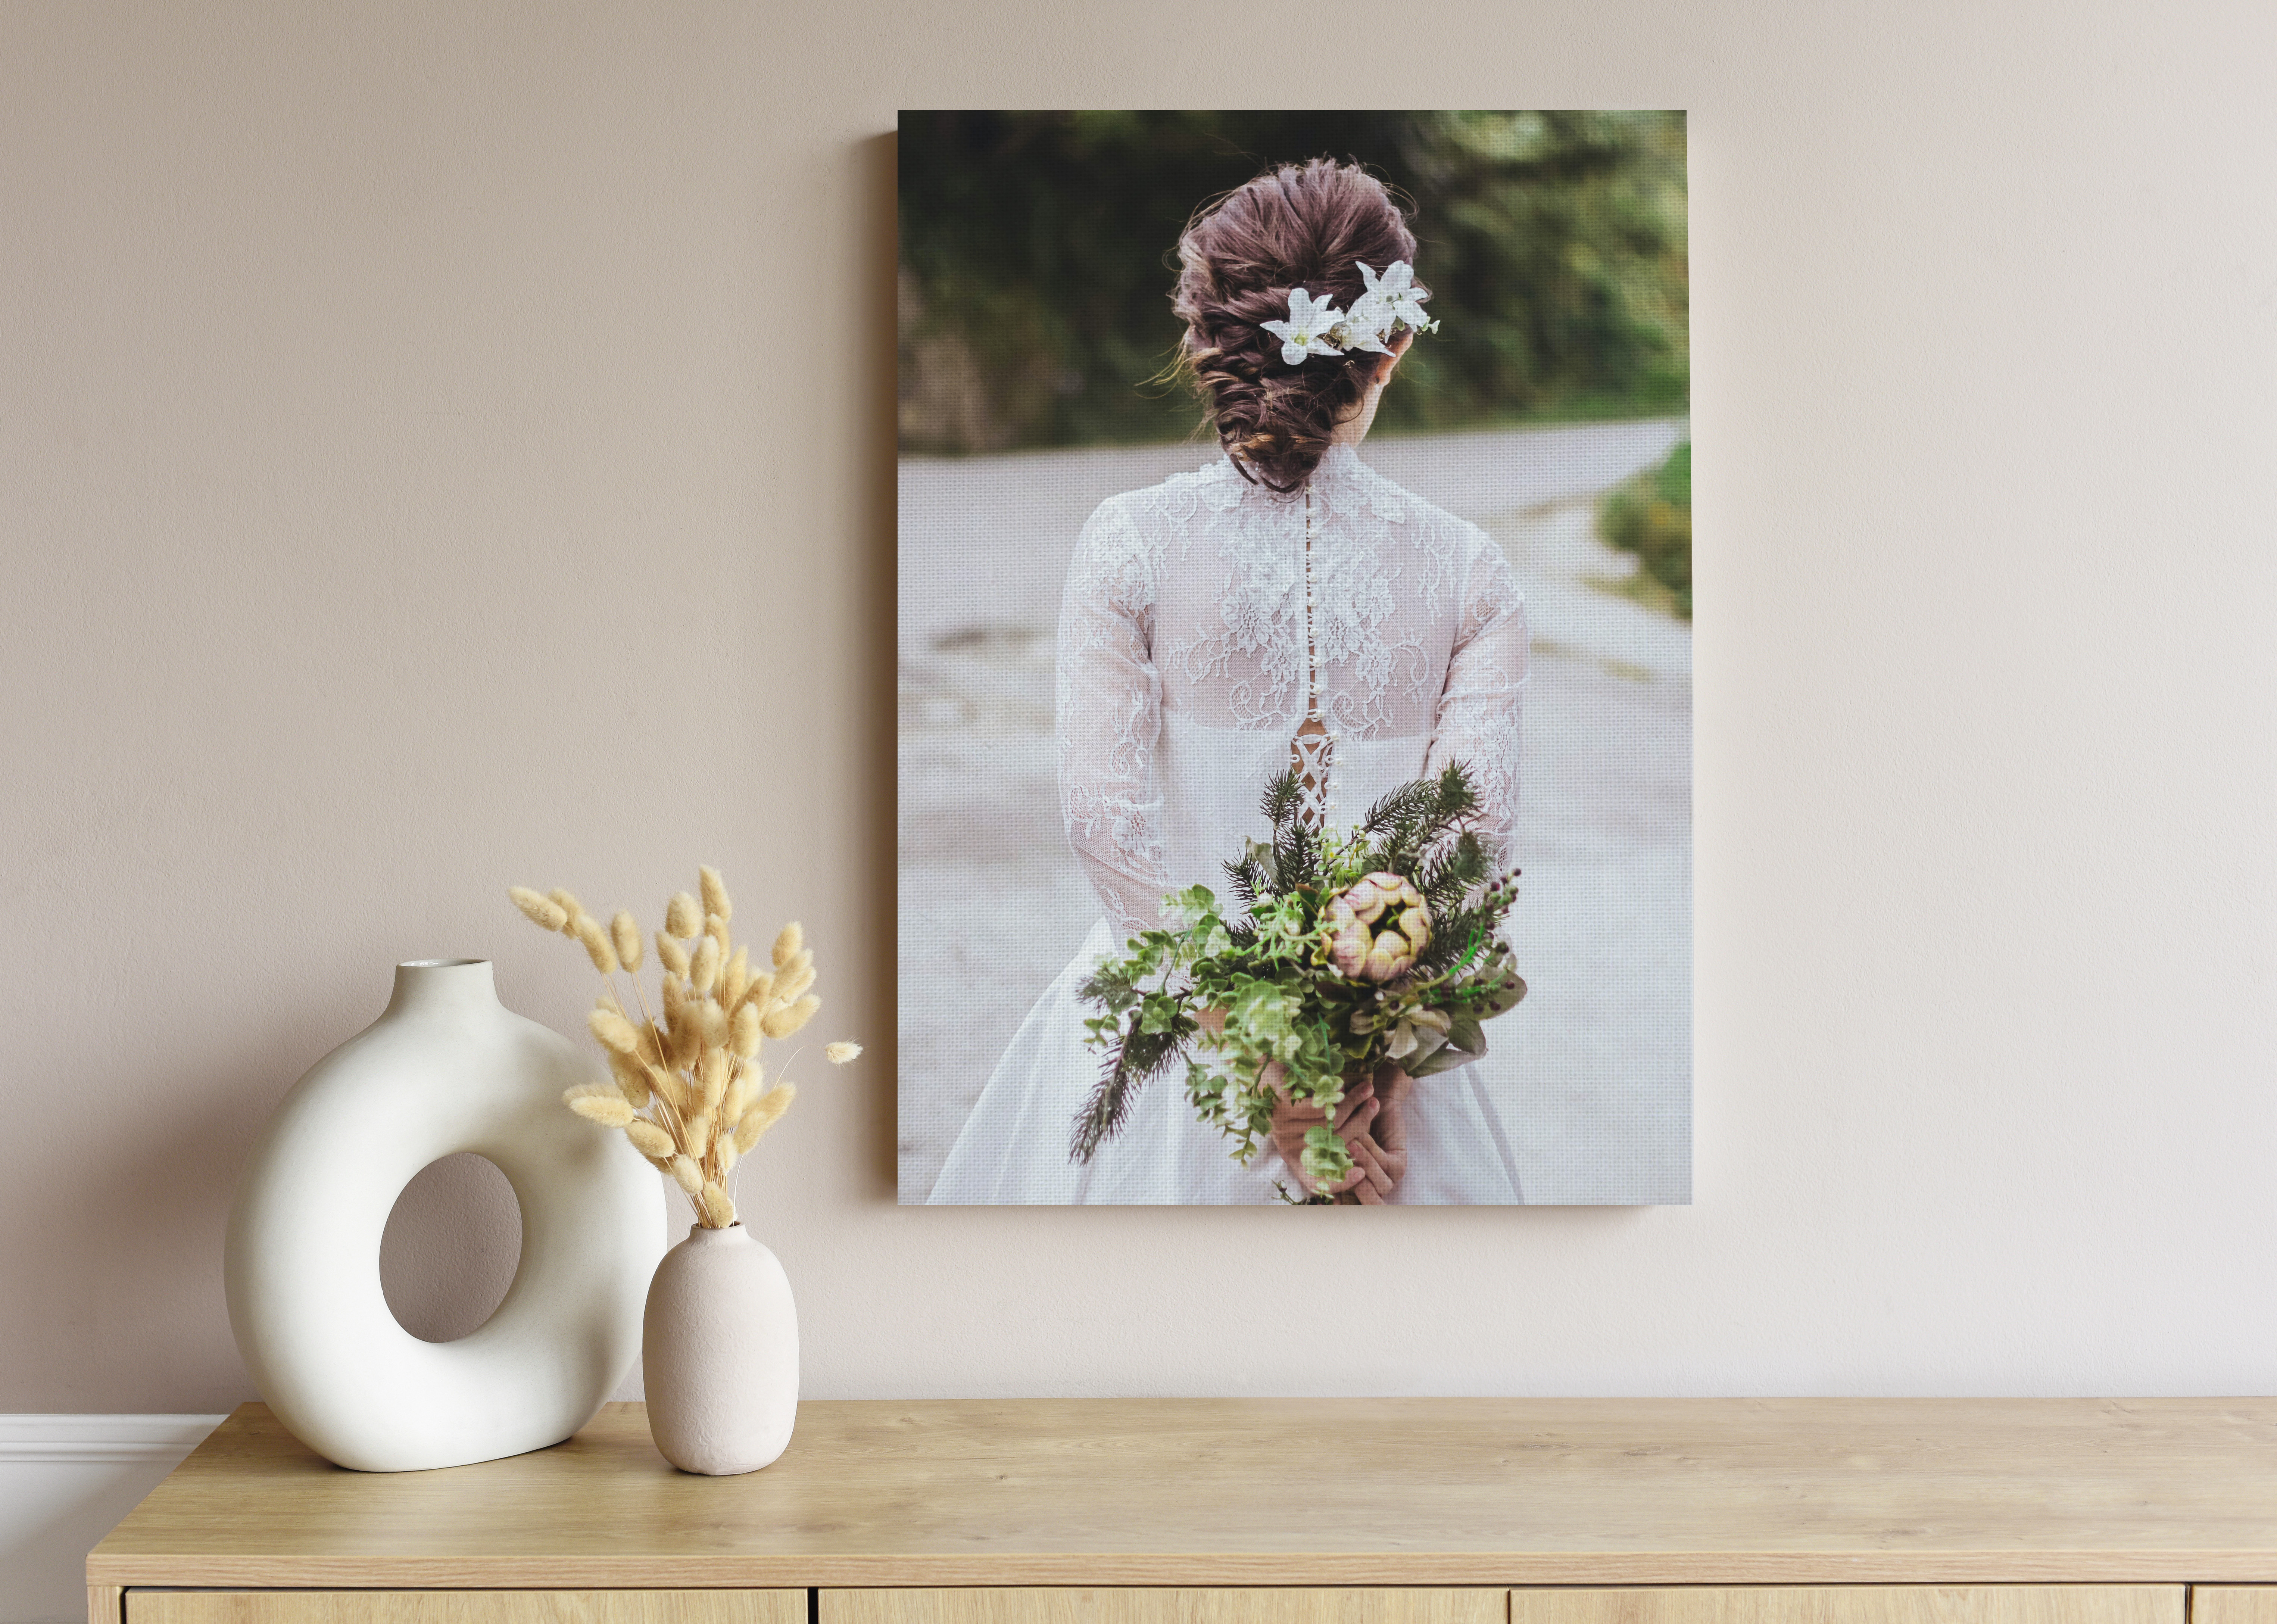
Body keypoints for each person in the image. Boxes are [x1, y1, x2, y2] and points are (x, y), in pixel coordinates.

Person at [928, 159, 1528, 1204]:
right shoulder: (1472, 573)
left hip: (1173, 1052)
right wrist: (1364, 1071)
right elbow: (1467, 842)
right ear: (1392, 349)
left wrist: (1268, 1074)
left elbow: (1106, 827)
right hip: (1387, 1096)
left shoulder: (1130, 547)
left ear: (1206, 344)